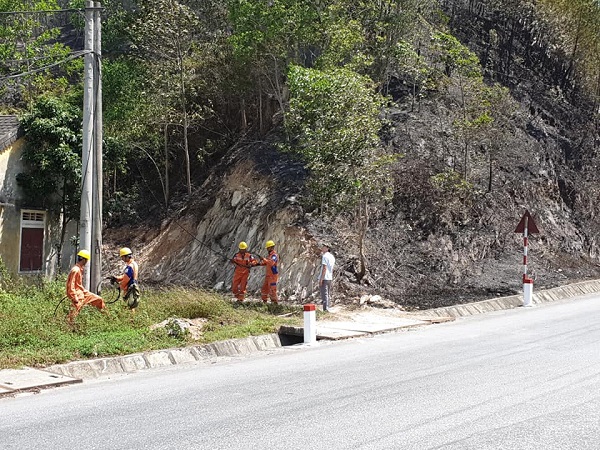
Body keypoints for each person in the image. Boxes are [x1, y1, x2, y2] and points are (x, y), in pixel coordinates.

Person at [66, 249, 106, 324]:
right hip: (78, 295)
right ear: (84, 260)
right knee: (74, 313)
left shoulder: (79, 269)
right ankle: (69, 327)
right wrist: (75, 297)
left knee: (99, 300)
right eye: (86, 260)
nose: (87, 262)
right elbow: (71, 285)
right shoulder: (76, 270)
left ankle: (106, 320)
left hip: (83, 292)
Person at [260, 240, 279, 304]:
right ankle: (264, 301)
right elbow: (266, 263)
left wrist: (263, 259)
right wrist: (259, 263)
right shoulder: (269, 255)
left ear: (271, 247)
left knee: (272, 289)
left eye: (268, 248)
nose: (267, 249)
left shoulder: (274, 255)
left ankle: (274, 303)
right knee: (264, 288)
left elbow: (271, 263)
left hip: (273, 275)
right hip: (268, 275)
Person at [318, 243, 335, 311]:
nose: (322, 248)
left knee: (324, 294)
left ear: (327, 248)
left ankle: (325, 309)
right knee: (327, 293)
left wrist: (321, 279)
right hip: (329, 277)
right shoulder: (332, 257)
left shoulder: (325, 256)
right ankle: (328, 307)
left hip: (325, 277)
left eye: (324, 247)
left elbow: (324, 268)